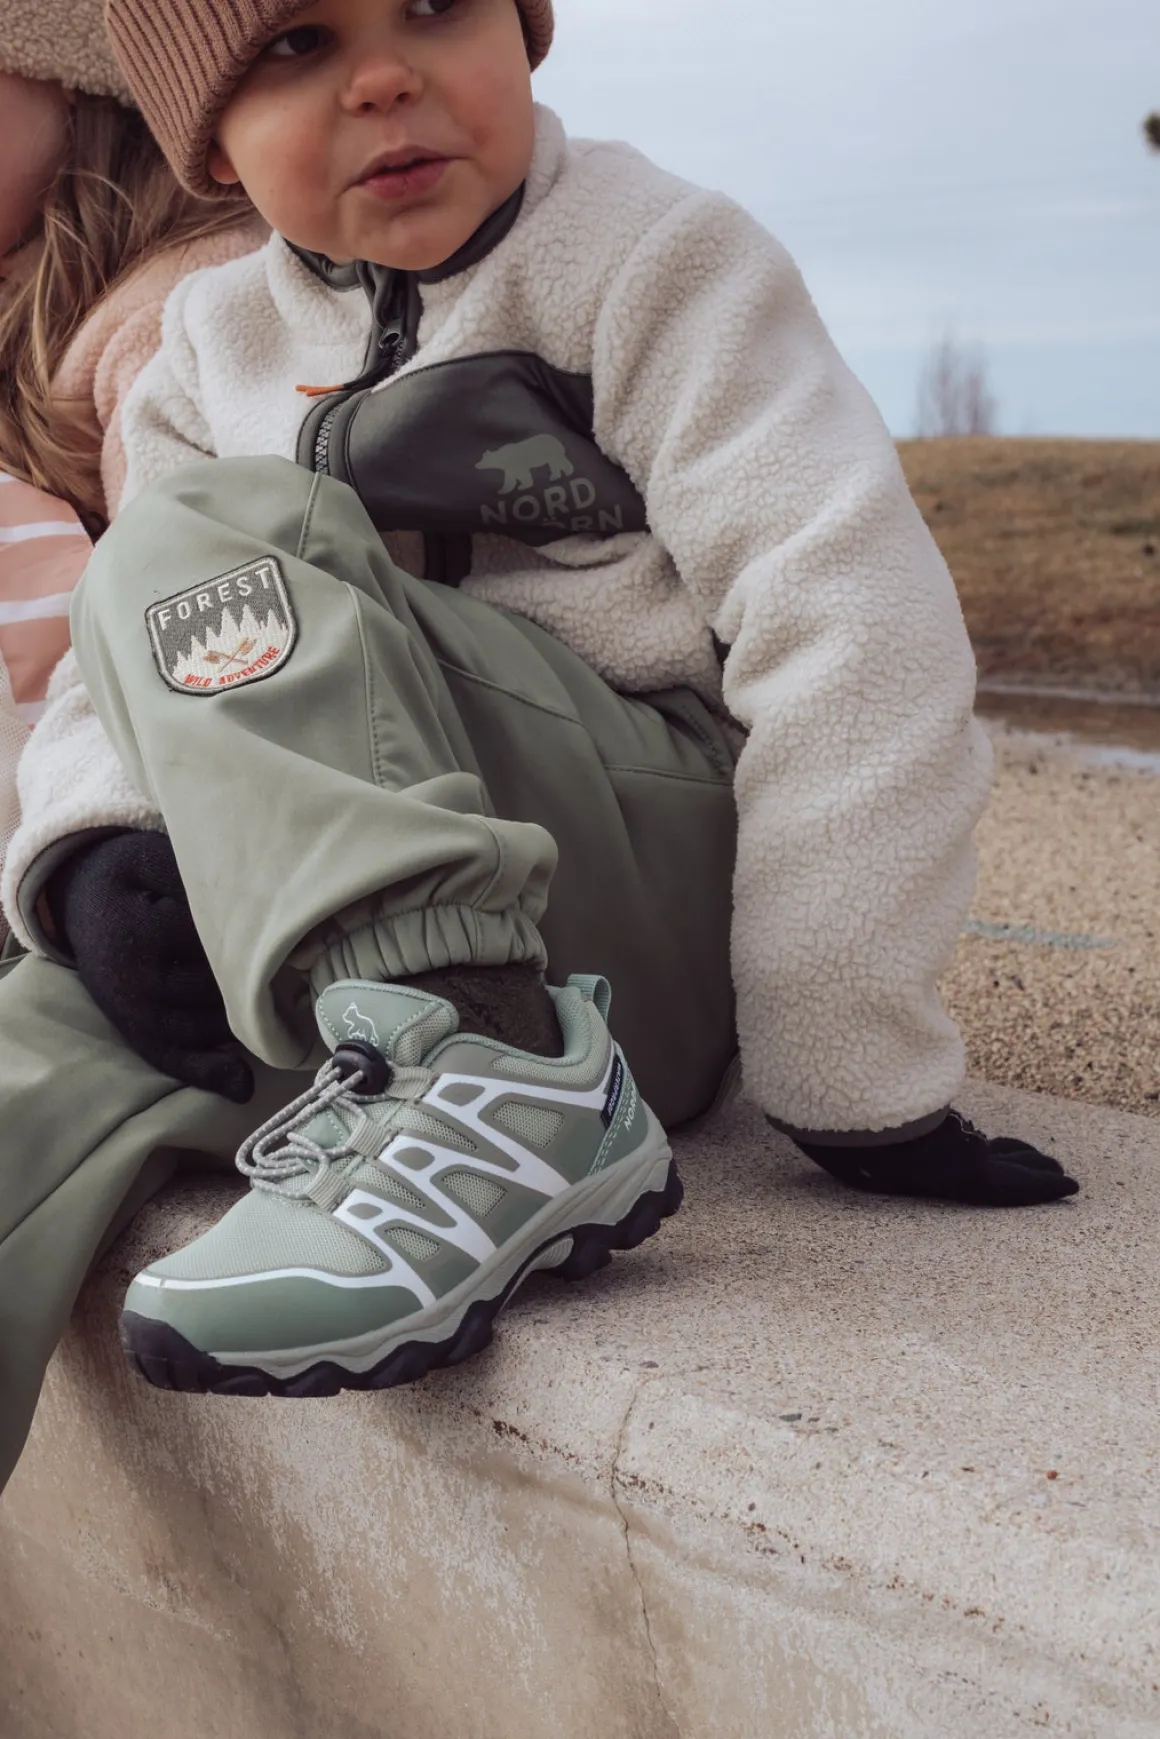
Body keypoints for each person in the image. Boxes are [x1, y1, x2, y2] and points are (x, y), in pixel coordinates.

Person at [0, 0, 1077, 1476]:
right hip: (371, 920)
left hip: (650, 869)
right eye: (298, 45)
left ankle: (487, 1056)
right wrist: (101, 847)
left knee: (201, 532)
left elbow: (850, 616)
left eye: (434, 6)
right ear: (211, 146)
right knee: (46, 1042)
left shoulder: (649, 257)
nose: (384, 77)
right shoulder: (211, 342)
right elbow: (124, 661)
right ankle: (434, 1056)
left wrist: (846, 1055)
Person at [0, 3, 266, 949]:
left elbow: (216, 601)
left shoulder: (179, 312)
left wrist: (111, 839)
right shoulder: (37, 299)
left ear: (74, 70)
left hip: (156, 831)